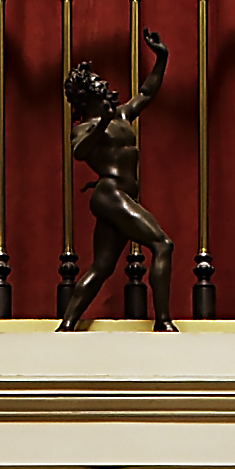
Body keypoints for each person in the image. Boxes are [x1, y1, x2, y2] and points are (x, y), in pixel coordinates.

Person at [59, 30, 176, 331]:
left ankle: (67, 325)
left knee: (102, 267)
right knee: (162, 244)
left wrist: (161, 58)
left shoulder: (123, 116)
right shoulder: (85, 128)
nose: (107, 86)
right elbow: (79, 152)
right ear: (90, 96)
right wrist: (103, 124)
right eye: (100, 85)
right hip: (109, 194)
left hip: (121, 195)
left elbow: (147, 93)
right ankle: (162, 322)